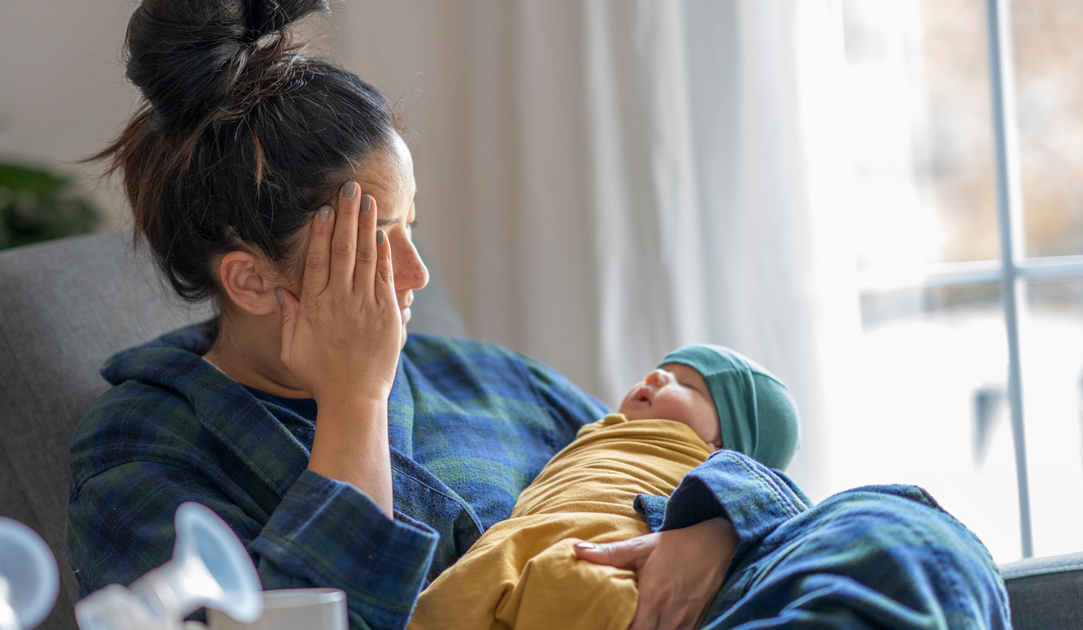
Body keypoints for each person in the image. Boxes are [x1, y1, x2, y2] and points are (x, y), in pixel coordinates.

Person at [67, 0, 1012, 628]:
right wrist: (353, 403)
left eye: (413, 226)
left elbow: (653, 458)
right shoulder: (139, 449)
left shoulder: (487, 377)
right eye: (373, 241)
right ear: (252, 280)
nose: (415, 269)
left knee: (904, 533)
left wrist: (713, 526)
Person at [408, 345, 800, 630]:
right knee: (452, 599)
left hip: (610, 544)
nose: (656, 376)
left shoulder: (716, 463)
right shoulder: (597, 429)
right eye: (662, 368)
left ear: (724, 443)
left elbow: (770, 505)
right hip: (523, 537)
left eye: (689, 386)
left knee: (589, 591)